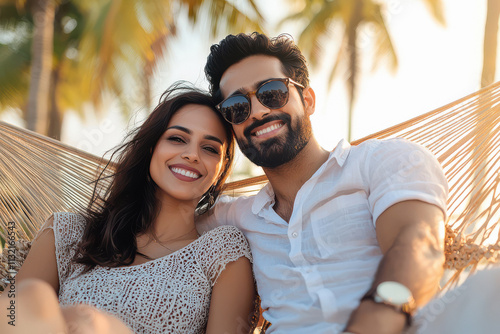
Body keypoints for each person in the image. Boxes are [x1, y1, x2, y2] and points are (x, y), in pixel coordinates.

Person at [196, 32, 500, 334]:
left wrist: (375, 319)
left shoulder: (381, 162)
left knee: (491, 286)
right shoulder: (234, 217)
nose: (259, 112)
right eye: (237, 107)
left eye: (272, 93)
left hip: (400, 327)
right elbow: (162, 223)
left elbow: (416, 243)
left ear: (307, 99)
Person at [0, 84, 256, 334]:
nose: (192, 155)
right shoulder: (68, 233)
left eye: (210, 148)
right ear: (151, 148)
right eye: (177, 139)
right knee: (34, 297)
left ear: (221, 169)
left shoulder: (223, 252)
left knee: (85, 321)